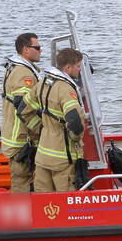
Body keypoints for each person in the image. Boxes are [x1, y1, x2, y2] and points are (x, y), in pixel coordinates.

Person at [28, 48, 85, 193]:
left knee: (43, 200)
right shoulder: (66, 89)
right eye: (78, 66)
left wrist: (41, 129)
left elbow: (23, 109)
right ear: (68, 67)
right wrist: (75, 139)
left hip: (42, 155)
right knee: (66, 199)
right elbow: (74, 122)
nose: (80, 70)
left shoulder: (42, 84)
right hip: (63, 158)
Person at [0, 32, 43, 192]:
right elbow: (23, 107)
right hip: (22, 139)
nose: (41, 50)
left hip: (14, 135)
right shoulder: (24, 73)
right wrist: (41, 129)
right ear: (26, 49)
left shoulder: (14, 68)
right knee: (22, 181)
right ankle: (21, 209)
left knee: (23, 180)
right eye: (37, 47)